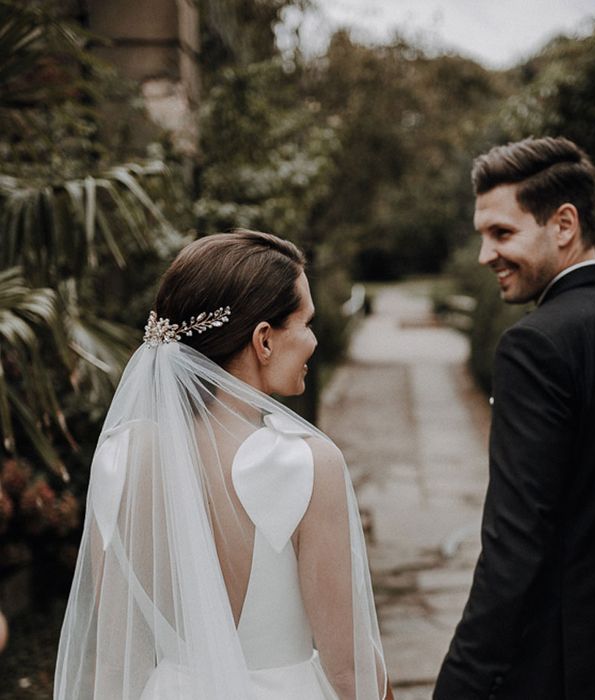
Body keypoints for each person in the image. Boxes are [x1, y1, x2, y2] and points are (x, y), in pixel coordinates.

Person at [55, 230, 392, 700]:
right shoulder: (305, 464)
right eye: (306, 322)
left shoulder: (119, 460)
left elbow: (114, 663)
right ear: (264, 341)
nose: (314, 339)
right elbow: (349, 669)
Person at [434, 137, 595, 700]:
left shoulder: (534, 346)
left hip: (551, 670)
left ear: (563, 224)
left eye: (501, 233)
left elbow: (516, 537)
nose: (485, 255)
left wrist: (462, 680)